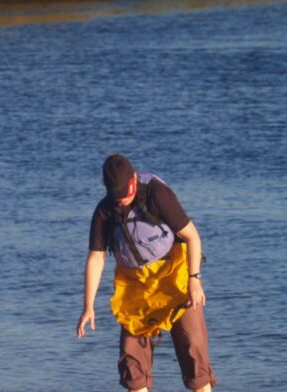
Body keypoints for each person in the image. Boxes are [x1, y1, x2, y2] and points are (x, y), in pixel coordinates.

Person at [76, 154, 216, 392]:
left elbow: (192, 236)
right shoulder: (104, 211)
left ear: (134, 181)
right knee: (132, 365)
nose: (122, 201)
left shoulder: (156, 194)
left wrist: (195, 279)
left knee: (194, 350)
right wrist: (88, 306)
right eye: (116, 197)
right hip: (136, 285)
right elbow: (96, 257)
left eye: (126, 194)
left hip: (175, 275)